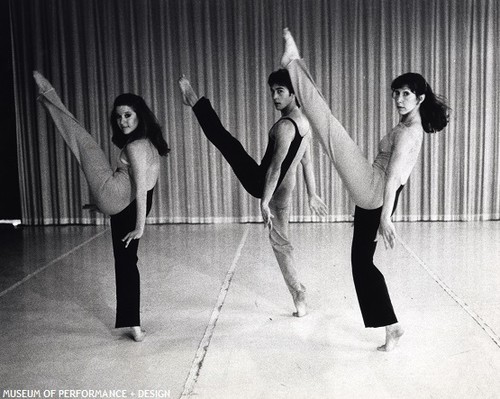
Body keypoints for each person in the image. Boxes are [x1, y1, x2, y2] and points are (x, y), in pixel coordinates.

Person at [280, 28, 449, 350]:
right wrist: (384, 211)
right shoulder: (408, 127)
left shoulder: (409, 134)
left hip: (375, 191)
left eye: (406, 95)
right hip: (374, 192)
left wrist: (385, 217)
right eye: (396, 93)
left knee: (329, 128)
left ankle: (293, 63)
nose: (399, 100)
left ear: (420, 98)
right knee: (361, 263)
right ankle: (392, 327)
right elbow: (395, 180)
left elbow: (394, 177)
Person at [33, 71, 170, 342]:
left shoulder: (136, 147)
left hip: (123, 200)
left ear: (139, 114)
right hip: (121, 200)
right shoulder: (149, 143)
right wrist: (105, 203)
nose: (122, 121)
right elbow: (142, 188)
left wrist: (139, 226)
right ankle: (134, 325)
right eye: (119, 116)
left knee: (83, 143)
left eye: (128, 115)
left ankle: (49, 96)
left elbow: (141, 186)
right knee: (127, 262)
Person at [179, 69, 327, 317]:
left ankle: (194, 100)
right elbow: (305, 161)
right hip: (284, 192)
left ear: (293, 94)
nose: (275, 97)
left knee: (226, 141)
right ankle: (298, 296)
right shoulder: (305, 124)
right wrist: (312, 194)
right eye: (272, 92)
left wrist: (264, 201)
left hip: (263, 184)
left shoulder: (283, 127)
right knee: (281, 244)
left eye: (280, 91)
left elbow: (274, 168)